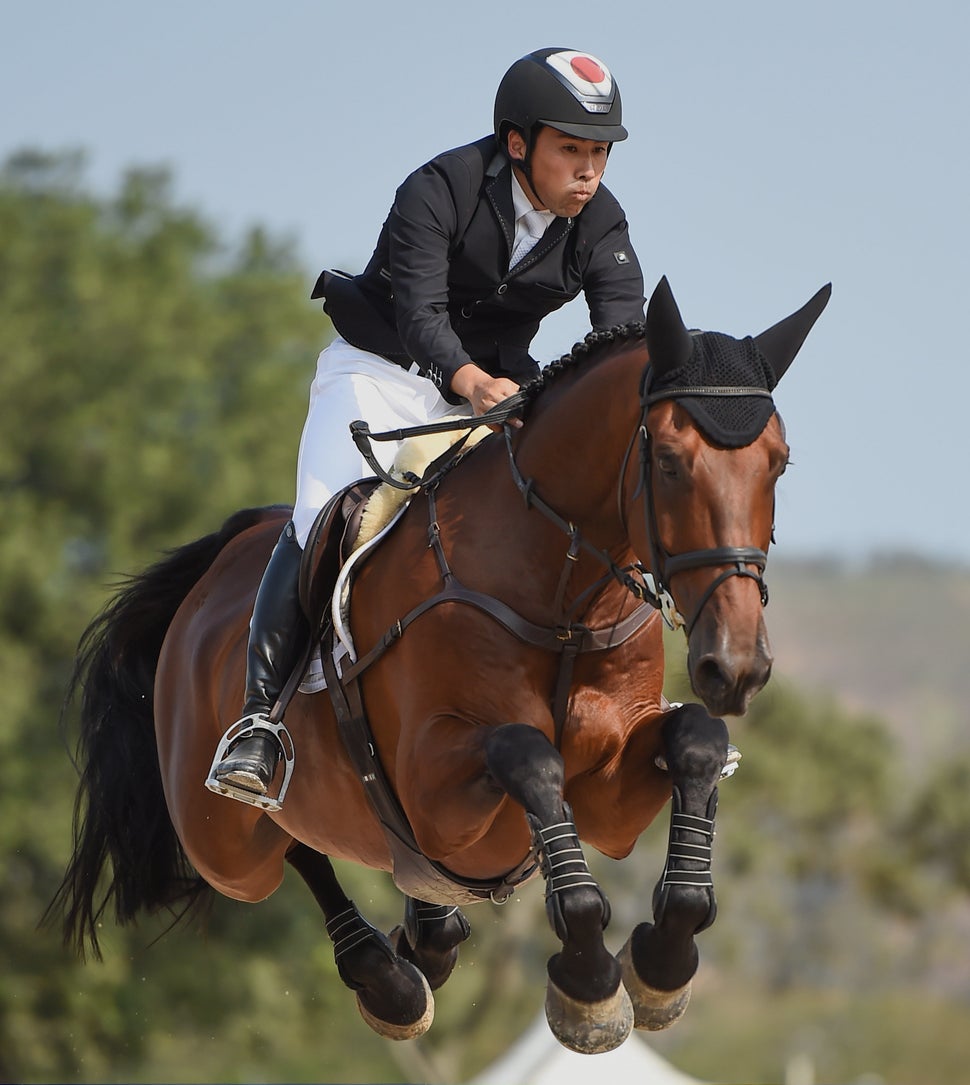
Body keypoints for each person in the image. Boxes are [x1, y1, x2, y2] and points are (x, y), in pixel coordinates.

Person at [208, 47, 647, 807]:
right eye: (570, 149)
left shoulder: (600, 221)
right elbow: (419, 312)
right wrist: (472, 381)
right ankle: (260, 721)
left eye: (599, 152)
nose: (589, 171)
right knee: (326, 514)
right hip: (381, 373)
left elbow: (622, 336)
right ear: (518, 143)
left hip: (494, 391)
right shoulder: (438, 188)